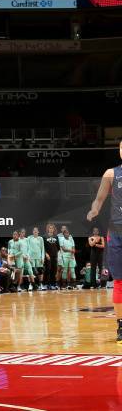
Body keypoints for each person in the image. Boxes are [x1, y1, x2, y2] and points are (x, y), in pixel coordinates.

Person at [87, 142, 122, 343]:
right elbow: (99, 199)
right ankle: (121, 325)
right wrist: (94, 209)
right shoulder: (111, 173)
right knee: (119, 281)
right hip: (117, 231)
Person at [44, 223, 60, 290]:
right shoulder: (44, 237)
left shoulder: (56, 237)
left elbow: (58, 247)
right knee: (48, 270)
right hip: (48, 256)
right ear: (48, 229)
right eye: (50, 228)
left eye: (52, 228)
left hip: (54, 256)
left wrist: (57, 254)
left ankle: (53, 284)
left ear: (54, 229)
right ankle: (46, 284)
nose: (51, 229)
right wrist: (46, 254)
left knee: (54, 270)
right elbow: (43, 247)